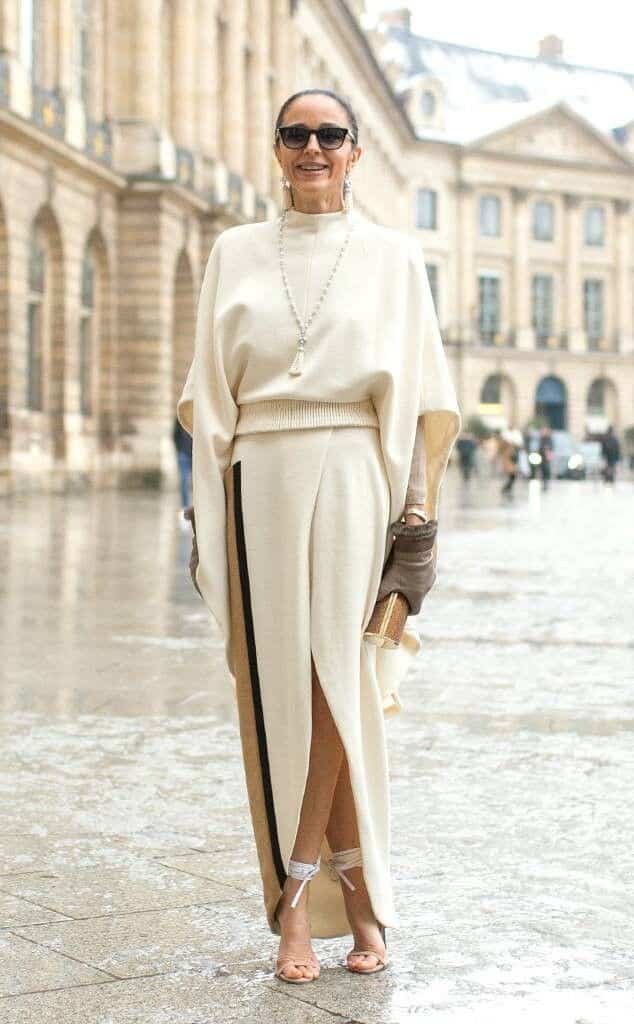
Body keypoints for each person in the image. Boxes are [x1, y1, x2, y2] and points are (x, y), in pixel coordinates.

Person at [176, 89, 460, 984]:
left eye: (329, 135)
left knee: (341, 679)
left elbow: (416, 400)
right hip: (258, 472)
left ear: (355, 152)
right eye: (296, 135)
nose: (313, 149)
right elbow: (207, 400)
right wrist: (206, 518)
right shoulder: (234, 251)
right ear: (276, 149)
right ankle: (344, 893)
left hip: (352, 468)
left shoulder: (392, 257)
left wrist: (414, 522)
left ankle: (311, 896)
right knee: (276, 691)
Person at [173, 416, 193, 512]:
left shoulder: (200, 415)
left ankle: (197, 507)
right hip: (183, 454)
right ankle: (185, 507)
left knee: (199, 482)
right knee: (184, 481)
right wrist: (179, 449)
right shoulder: (180, 416)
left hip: (195, 455)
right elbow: (175, 435)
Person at [538, 425, 553, 490]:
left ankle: (546, 484)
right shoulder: (541, 439)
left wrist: (547, 450)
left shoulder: (549, 439)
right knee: (542, 471)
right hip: (542, 457)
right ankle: (544, 484)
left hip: (547, 458)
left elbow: (551, 448)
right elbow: (539, 448)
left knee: (546, 471)